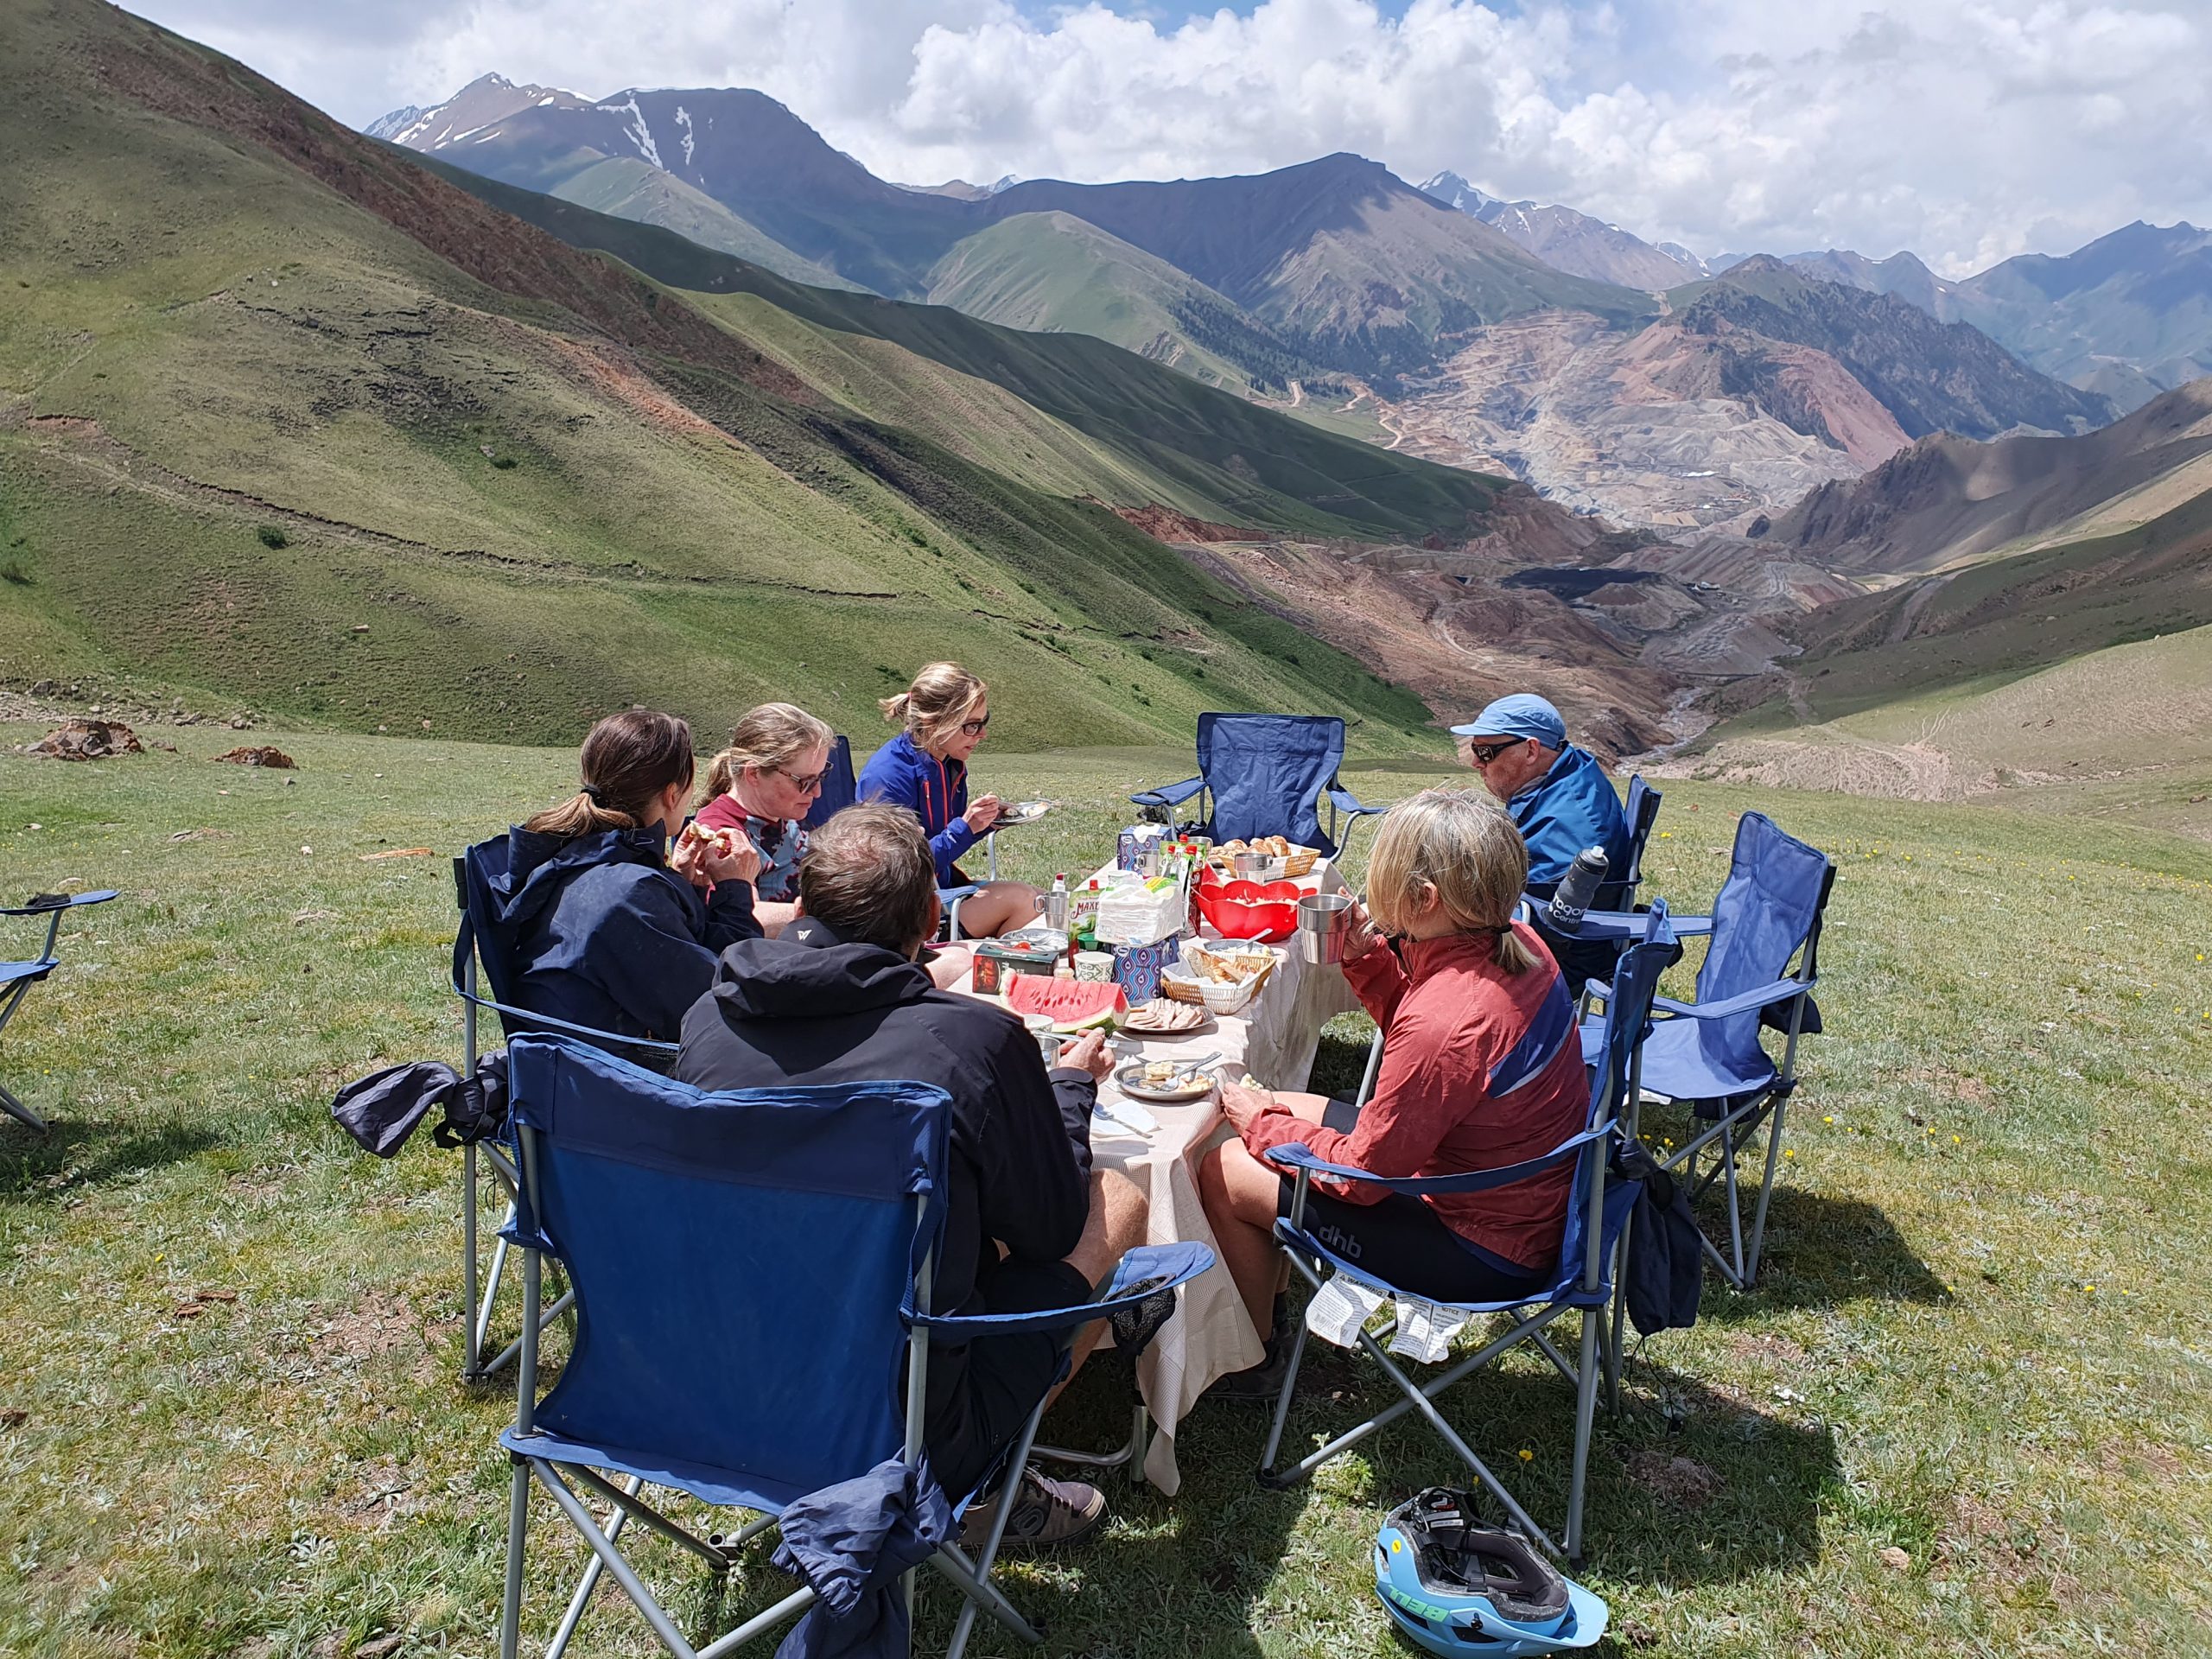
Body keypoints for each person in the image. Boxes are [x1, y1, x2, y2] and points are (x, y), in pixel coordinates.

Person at [673, 803, 1146, 1548]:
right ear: (931, 917)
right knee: (1116, 1197)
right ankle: (984, 1484)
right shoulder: (970, 1043)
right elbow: (1051, 1230)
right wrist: (1069, 1088)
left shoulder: (707, 1021)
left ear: (801, 904)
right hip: (905, 1423)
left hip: (711, 1387)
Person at [1194, 789, 1587, 1395]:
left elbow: (1363, 1177)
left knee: (1225, 1166)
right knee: (1281, 1104)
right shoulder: (1518, 942)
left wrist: (1263, 1125)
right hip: (1516, 1198)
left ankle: (1253, 1362)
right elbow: (1434, 1053)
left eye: (1384, 875)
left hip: (1483, 1248)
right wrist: (1368, 958)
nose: (1371, 889)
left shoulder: (1447, 1021)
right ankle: (1268, 1296)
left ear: (1425, 899)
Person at [493, 710, 762, 1057]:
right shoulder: (627, 895)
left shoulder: (577, 856)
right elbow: (727, 1010)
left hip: (568, 1064)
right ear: (672, 794)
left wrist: (682, 884)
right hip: (614, 1079)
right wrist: (737, 889)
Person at [1452, 692, 1630, 994]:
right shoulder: (1566, 772)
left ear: (1531, 750)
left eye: (1485, 752)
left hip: (1549, 963)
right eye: (1475, 749)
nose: (1476, 763)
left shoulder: (1565, 832)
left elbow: (1513, 914)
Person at [856, 662, 1041, 938]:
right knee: (1025, 901)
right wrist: (965, 828)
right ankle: (965, 963)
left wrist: (985, 823)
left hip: (937, 891)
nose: (982, 734)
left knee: (1041, 899)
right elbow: (897, 870)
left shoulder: (948, 764)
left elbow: (944, 841)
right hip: (903, 914)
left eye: (984, 721)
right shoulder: (888, 775)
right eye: (972, 725)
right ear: (934, 723)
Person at [692, 702, 834, 937]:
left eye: (821, 777)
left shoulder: (782, 811)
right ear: (754, 773)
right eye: (805, 782)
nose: (817, 792)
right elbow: (746, 916)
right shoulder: (721, 833)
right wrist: (837, 915)